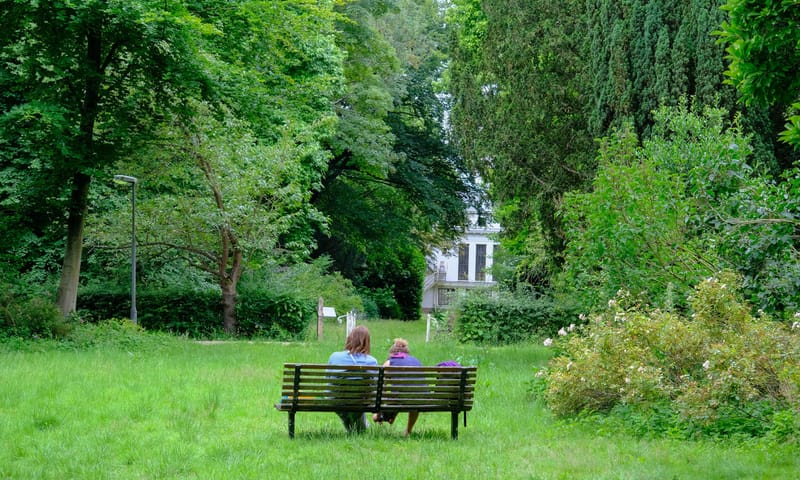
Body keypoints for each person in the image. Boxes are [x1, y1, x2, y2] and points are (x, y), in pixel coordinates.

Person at [327, 325, 378, 433]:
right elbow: (374, 385)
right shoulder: (372, 361)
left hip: (337, 401)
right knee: (358, 402)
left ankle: (353, 428)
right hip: (360, 401)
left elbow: (328, 379)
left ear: (350, 339)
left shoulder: (335, 356)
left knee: (350, 411)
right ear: (367, 342)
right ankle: (359, 428)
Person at [372, 337, 423, 436]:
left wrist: (378, 412)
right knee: (407, 395)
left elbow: (382, 387)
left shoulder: (390, 362)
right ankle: (408, 431)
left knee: (394, 395)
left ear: (392, 353)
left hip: (400, 399)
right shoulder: (416, 361)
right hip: (419, 399)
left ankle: (381, 417)